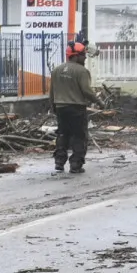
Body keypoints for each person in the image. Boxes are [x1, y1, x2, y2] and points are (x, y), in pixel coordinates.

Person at [50, 41, 101, 174]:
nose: (85, 58)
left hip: (60, 107)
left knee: (63, 134)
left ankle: (59, 162)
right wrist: (99, 101)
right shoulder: (82, 71)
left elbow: (52, 91)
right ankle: (76, 165)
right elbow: (86, 91)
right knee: (79, 136)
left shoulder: (57, 70)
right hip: (77, 108)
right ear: (75, 56)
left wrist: (53, 107)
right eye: (83, 55)